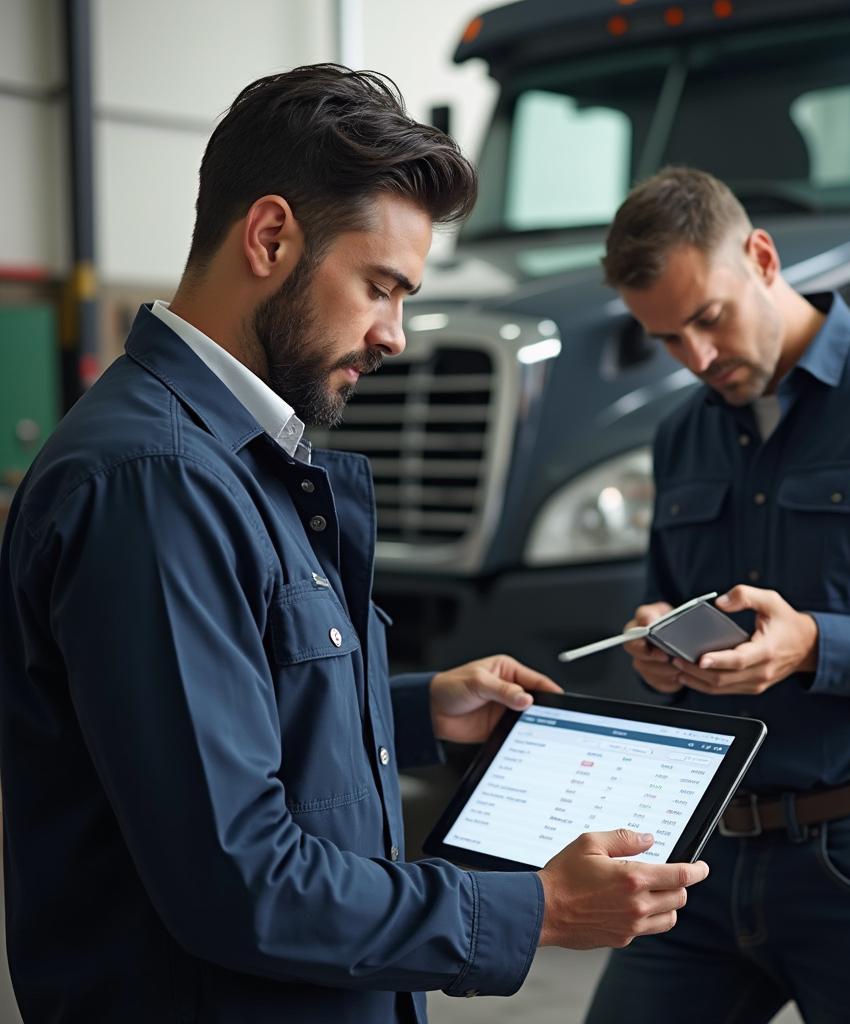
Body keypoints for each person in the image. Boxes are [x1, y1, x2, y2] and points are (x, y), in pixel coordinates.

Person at [0, 67, 709, 1024]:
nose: (396, 336)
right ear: (270, 236)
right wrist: (530, 907)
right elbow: (241, 880)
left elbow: (235, 712)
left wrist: (411, 710)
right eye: (381, 287)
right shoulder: (155, 482)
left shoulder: (237, 456)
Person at [585, 167, 850, 1024]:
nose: (698, 359)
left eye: (708, 319)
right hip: (700, 857)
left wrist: (817, 644)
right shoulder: (683, 434)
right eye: (668, 339)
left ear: (762, 256)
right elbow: (670, 612)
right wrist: (657, 653)